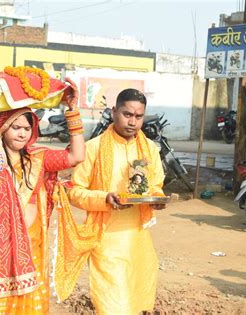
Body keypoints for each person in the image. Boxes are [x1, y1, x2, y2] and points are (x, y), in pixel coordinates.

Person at [0, 74, 85, 314]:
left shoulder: (38, 157)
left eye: (27, 128)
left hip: (31, 246)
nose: (21, 133)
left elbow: (76, 156)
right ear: (2, 127)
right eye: (15, 127)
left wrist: (72, 110)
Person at [67, 88, 166, 314]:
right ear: (114, 112)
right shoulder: (93, 147)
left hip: (138, 239)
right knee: (112, 305)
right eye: (127, 114)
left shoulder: (150, 149)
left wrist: (157, 199)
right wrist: (105, 198)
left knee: (137, 300)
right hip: (105, 240)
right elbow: (75, 192)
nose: (132, 121)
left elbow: (156, 186)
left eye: (138, 116)